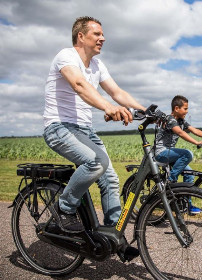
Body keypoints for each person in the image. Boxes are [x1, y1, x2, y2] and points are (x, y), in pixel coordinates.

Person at [43, 16, 145, 258]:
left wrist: (146, 110)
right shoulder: (66, 56)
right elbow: (79, 84)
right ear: (81, 36)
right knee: (96, 163)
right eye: (97, 34)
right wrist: (107, 108)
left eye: (103, 34)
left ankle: (113, 238)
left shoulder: (98, 65)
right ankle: (63, 211)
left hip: (85, 131)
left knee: (110, 179)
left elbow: (117, 91)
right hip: (59, 127)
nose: (103, 38)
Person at [154, 95, 202, 214]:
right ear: (176, 108)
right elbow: (180, 132)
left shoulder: (180, 121)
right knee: (187, 154)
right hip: (161, 152)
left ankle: (186, 206)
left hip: (170, 154)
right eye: (185, 108)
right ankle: (169, 181)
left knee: (189, 174)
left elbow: (195, 130)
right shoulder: (170, 119)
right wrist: (197, 142)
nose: (187, 111)